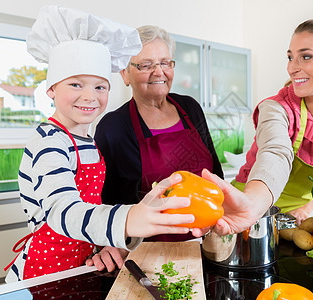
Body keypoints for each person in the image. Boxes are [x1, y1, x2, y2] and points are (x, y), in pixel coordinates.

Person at [5, 6, 196, 282]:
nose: (89, 96)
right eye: (75, 84)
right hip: (44, 274)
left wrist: (102, 245)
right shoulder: (48, 141)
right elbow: (63, 210)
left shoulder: (86, 140)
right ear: (51, 90)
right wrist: (129, 219)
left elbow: (92, 206)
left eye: (99, 87)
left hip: (81, 266)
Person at [206, 18, 313, 233]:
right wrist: (252, 207)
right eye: (290, 57)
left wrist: (307, 207)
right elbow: (275, 154)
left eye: (305, 57)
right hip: (249, 213)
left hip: (294, 219)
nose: (292, 68)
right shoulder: (276, 108)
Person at [94, 25, 223, 242]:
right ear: (125, 74)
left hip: (207, 240)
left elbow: (215, 175)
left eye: (165, 63)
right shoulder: (112, 127)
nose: (159, 72)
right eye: (146, 65)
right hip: (147, 250)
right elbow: (105, 204)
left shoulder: (190, 108)